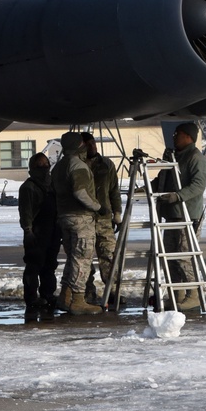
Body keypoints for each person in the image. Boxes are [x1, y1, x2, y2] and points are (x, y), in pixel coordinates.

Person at [152, 121, 206, 303]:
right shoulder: (175, 156)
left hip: (188, 215)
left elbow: (199, 184)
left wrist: (178, 196)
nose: (174, 137)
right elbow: (164, 177)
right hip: (172, 215)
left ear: (188, 137)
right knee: (169, 255)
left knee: (184, 255)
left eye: (178, 134)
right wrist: (148, 187)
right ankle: (177, 292)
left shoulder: (195, 157)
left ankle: (193, 293)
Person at [50, 132, 101, 314]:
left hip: (64, 216)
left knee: (72, 259)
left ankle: (65, 296)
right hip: (80, 218)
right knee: (82, 259)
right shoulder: (77, 165)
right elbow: (80, 192)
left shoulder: (58, 166)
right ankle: (78, 300)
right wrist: (96, 206)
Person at [80, 133, 122, 303]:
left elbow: (114, 190)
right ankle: (87, 292)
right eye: (87, 144)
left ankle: (113, 292)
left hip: (104, 218)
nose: (92, 147)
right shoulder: (77, 165)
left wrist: (117, 212)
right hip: (84, 219)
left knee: (109, 255)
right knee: (84, 256)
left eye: (93, 143)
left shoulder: (107, 165)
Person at [18, 152, 59, 319]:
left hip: (53, 231)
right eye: (40, 166)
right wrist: (28, 230)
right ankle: (31, 298)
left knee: (49, 266)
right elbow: (25, 211)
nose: (45, 169)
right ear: (32, 168)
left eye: (46, 165)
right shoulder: (28, 187)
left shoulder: (52, 185)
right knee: (34, 266)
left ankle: (47, 294)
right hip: (36, 232)